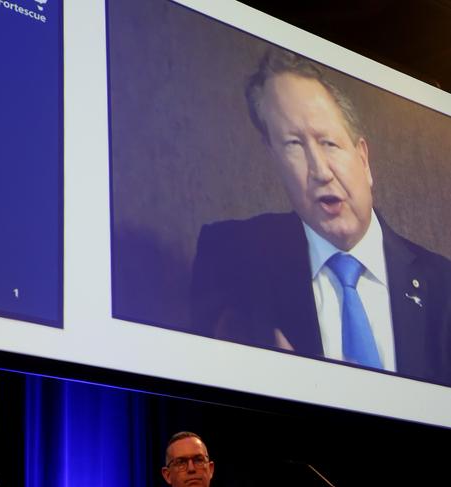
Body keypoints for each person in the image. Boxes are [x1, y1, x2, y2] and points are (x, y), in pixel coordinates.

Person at [191, 48, 451, 384]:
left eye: (328, 143)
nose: (319, 171)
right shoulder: (231, 257)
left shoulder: (443, 285)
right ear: (275, 159)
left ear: (363, 160)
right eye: (294, 145)